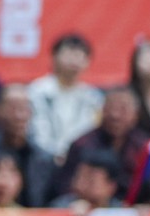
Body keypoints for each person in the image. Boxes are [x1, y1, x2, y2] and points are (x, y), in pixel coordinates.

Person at [28, 33, 104, 161]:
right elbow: (37, 132)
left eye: (80, 55)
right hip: (44, 158)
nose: (74, 59)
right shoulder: (37, 91)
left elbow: (92, 132)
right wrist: (57, 155)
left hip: (81, 160)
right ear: (54, 57)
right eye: (69, 53)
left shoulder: (93, 97)